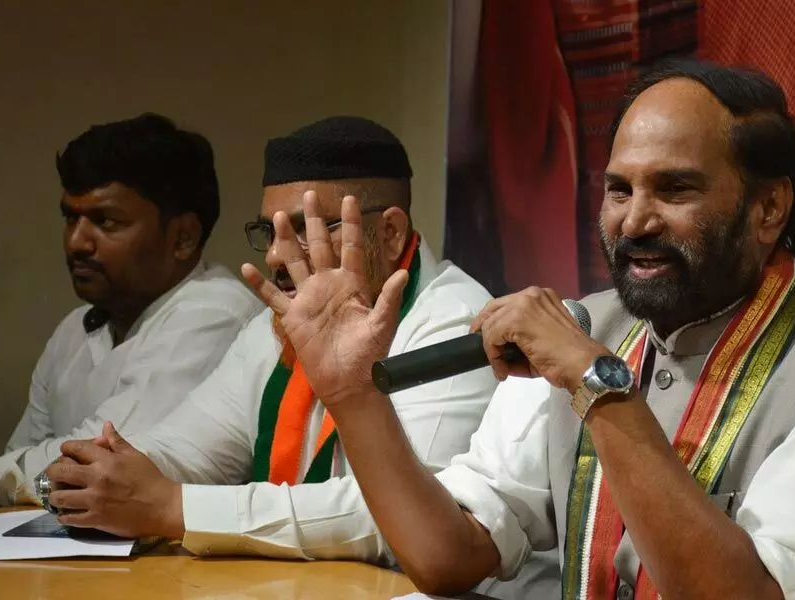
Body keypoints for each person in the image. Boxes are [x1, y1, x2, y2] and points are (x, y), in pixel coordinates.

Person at [260, 61, 795, 599]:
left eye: (674, 190)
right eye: (619, 190)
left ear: (768, 209)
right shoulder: (582, 329)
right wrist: (354, 398)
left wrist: (597, 383)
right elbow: (446, 556)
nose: (635, 221)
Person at [41, 116, 497, 567]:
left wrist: (175, 508)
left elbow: (397, 518)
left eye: (307, 228)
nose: (277, 255)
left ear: (389, 233)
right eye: (269, 232)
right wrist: (101, 473)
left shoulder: (455, 322)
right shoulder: (275, 326)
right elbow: (191, 447)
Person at [0, 114, 262, 512]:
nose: (76, 242)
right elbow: (22, 461)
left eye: (104, 221)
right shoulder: (74, 328)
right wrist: (16, 483)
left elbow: (100, 465)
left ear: (183, 237)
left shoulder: (218, 313)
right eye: (70, 217)